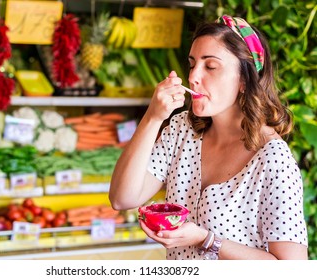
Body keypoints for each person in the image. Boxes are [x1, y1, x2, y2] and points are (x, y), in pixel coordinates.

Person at [109, 15, 308, 260]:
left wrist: (206, 240)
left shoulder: (273, 158)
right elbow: (122, 198)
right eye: (192, 64)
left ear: (245, 80)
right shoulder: (182, 130)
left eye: (210, 67)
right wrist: (153, 117)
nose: (193, 76)